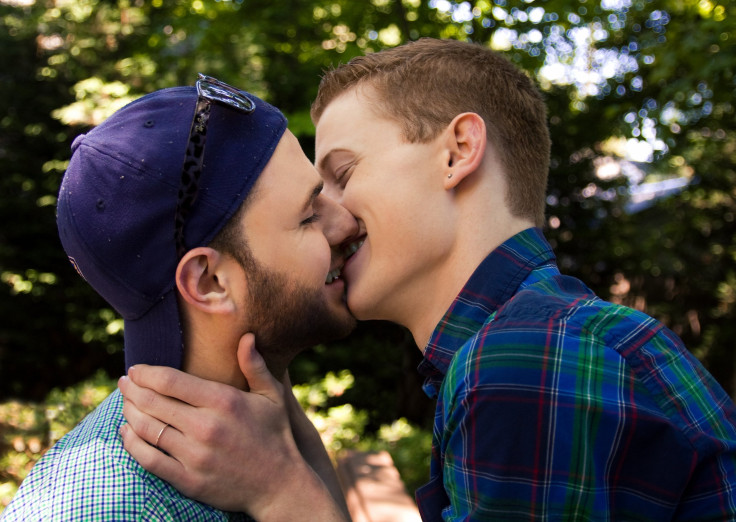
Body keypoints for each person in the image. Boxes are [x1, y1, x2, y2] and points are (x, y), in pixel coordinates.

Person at [118, 39, 736, 520]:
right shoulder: (544, 337)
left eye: (343, 172)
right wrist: (291, 437)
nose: (328, 218)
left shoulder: (523, 361)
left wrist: (280, 492)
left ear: (457, 150)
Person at [1, 75, 361, 521]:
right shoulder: (116, 509)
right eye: (309, 215)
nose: (346, 224)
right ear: (209, 281)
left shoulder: (253, 436)